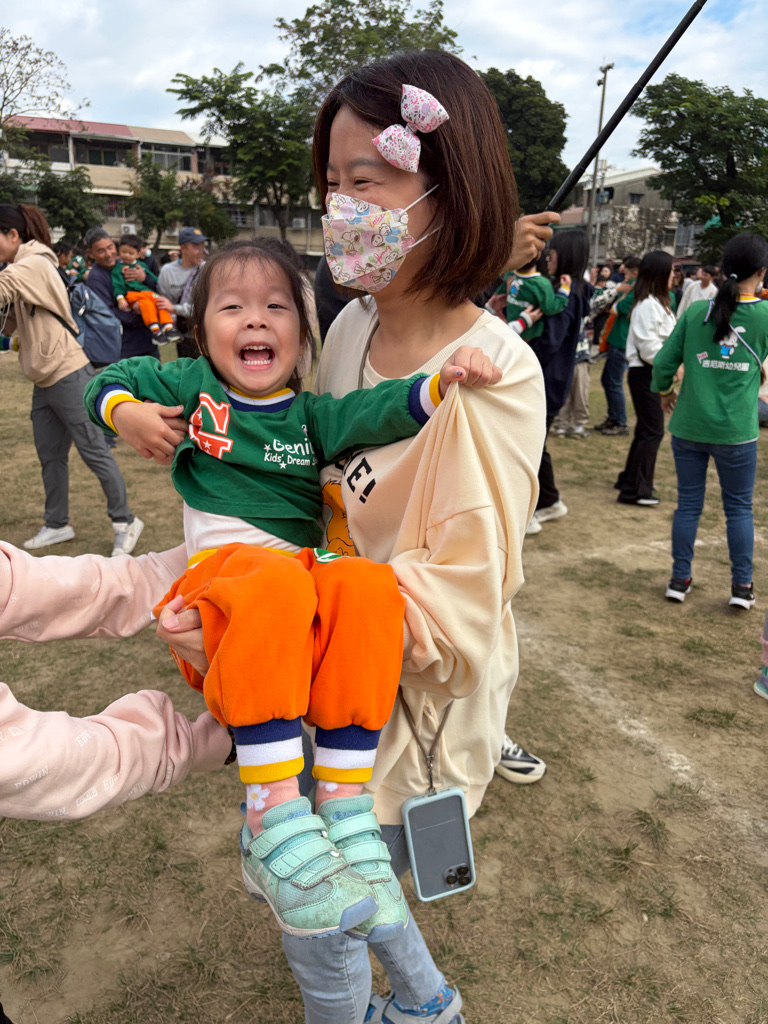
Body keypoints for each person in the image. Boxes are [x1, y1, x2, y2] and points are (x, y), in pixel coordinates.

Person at [8, 52, 550, 1023]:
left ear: (448, 189)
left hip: (390, 733)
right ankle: (425, 1003)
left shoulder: (491, 376)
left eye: (365, 181)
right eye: (332, 183)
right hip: (293, 689)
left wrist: (258, 618)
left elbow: (459, 617)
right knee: (313, 887)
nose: (341, 209)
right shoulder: (347, 332)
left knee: (328, 922)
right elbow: (299, 493)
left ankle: (399, 1005)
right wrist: (233, 581)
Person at [84, 235, 500, 941]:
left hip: (296, 589)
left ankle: (344, 806)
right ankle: (272, 813)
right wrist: (125, 411)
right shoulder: (192, 386)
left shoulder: (310, 417)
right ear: (200, 331)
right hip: (226, 588)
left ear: (304, 337)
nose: (255, 319)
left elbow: (375, 410)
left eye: (276, 307)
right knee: (275, 580)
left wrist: (441, 382)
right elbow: (109, 377)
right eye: (232, 307)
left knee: (369, 588)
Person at [0, 204, 144, 556]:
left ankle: (126, 521)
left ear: (13, 235)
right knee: (50, 455)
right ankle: (57, 523)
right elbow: (13, 320)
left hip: (68, 371)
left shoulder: (33, 262)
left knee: (94, 451)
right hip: (44, 376)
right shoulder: (22, 267)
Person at [652, 233, 768, 608]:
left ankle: (679, 579)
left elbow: (664, 362)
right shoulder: (764, 316)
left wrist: (665, 390)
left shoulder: (695, 312)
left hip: (689, 425)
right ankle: (742, 587)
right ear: (762, 272)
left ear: (721, 269)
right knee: (739, 509)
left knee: (688, 505)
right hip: (737, 432)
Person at [526, 229, 590, 533]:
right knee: (534, 444)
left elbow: (551, 341)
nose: (547, 256)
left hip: (547, 377)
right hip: (551, 376)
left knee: (531, 445)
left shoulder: (569, 293)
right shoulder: (571, 289)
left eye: (552, 252)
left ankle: (542, 504)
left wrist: (521, 342)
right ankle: (548, 501)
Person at [615, 251, 676, 506]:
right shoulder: (648, 305)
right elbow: (649, 349)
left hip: (651, 372)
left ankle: (629, 480)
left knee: (646, 429)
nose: (674, 276)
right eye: (671, 271)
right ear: (660, 274)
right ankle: (636, 490)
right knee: (653, 431)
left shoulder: (660, 303)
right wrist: (673, 367)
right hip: (646, 373)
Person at [84, 227, 158, 359]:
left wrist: (144, 278)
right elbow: (108, 312)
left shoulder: (125, 263)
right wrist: (142, 317)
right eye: (101, 251)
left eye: (110, 247)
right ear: (90, 253)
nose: (108, 254)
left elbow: (154, 288)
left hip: (148, 341)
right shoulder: (96, 278)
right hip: (127, 348)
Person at [593, 255, 640, 435]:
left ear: (635, 272)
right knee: (608, 380)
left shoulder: (635, 288)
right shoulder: (630, 286)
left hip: (622, 340)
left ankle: (620, 422)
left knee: (614, 382)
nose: (623, 275)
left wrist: (621, 295)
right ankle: (613, 418)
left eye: (626, 271)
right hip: (617, 339)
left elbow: (616, 309)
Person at [112, 233, 181, 343]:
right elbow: (117, 285)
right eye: (124, 252)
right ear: (119, 251)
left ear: (138, 254)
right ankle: (155, 330)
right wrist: (120, 299)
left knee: (159, 302)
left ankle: (168, 326)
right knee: (147, 304)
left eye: (130, 253)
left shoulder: (142, 266)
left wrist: (145, 277)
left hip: (147, 293)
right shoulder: (118, 268)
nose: (126, 256)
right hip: (133, 294)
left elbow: (154, 279)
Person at [156, 226, 207, 358]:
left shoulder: (206, 270)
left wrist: (174, 308)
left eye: (202, 246)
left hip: (204, 334)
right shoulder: (167, 271)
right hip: (182, 336)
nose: (201, 251)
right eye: (196, 246)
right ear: (182, 248)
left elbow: (204, 309)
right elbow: (164, 303)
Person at [496, 251, 569, 340]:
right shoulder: (542, 284)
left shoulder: (509, 276)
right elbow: (551, 308)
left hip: (509, 329)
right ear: (538, 255)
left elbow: (498, 296)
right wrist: (564, 291)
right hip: (529, 336)